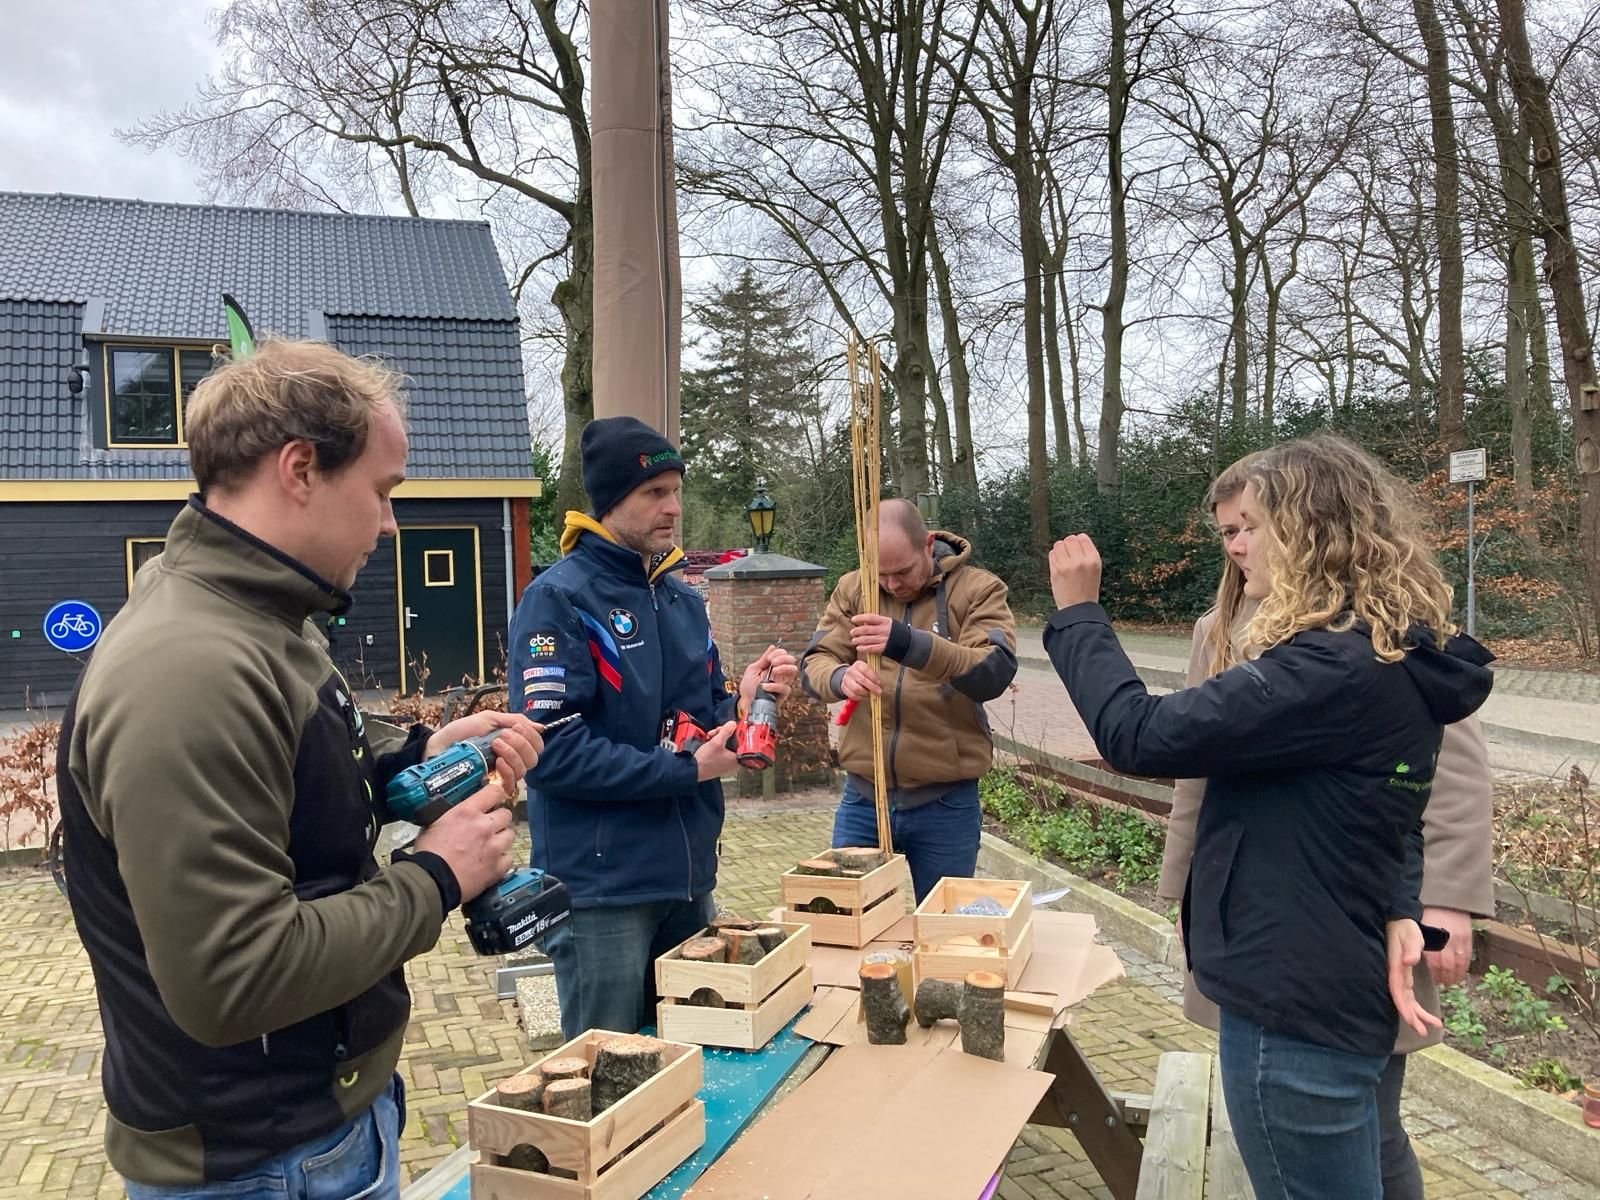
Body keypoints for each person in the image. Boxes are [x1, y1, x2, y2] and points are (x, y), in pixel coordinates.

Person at [57, 339, 543, 1199]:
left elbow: (295, 783)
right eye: (384, 491)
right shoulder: (191, 668)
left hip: (316, 1130)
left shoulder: (264, 618)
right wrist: (436, 878)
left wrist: (418, 756)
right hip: (260, 1164)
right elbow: (233, 977)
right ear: (300, 469)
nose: (391, 525)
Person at [1043, 434, 1494, 1200]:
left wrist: (1081, 615)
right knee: (1377, 1159)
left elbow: (1137, 735)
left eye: (1259, 523)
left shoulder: (1324, 667)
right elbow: (1388, 799)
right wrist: (1395, 903)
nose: (1242, 547)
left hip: (1295, 1006)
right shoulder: (1391, 649)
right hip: (1339, 977)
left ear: (1310, 528)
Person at [510, 416, 798, 1038]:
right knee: (608, 1078)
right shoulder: (560, 599)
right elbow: (550, 752)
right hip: (603, 895)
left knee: (692, 1065)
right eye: (654, 494)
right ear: (612, 500)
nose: (673, 508)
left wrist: (742, 706)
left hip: (688, 882)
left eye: (676, 490)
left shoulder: (681, 598)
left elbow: (698, 720)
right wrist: (687, 770)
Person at [799, 499, 1017, 900]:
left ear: (928, 544)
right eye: (881, 574)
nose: (892, 585)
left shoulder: (978, 589)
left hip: (946, 803)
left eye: (902, 571)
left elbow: (993, 673)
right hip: (864, 799)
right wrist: (839, 676)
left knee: (944, 931)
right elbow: (815, 661)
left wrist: (910, 645)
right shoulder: (854, 588)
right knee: (847, 922)